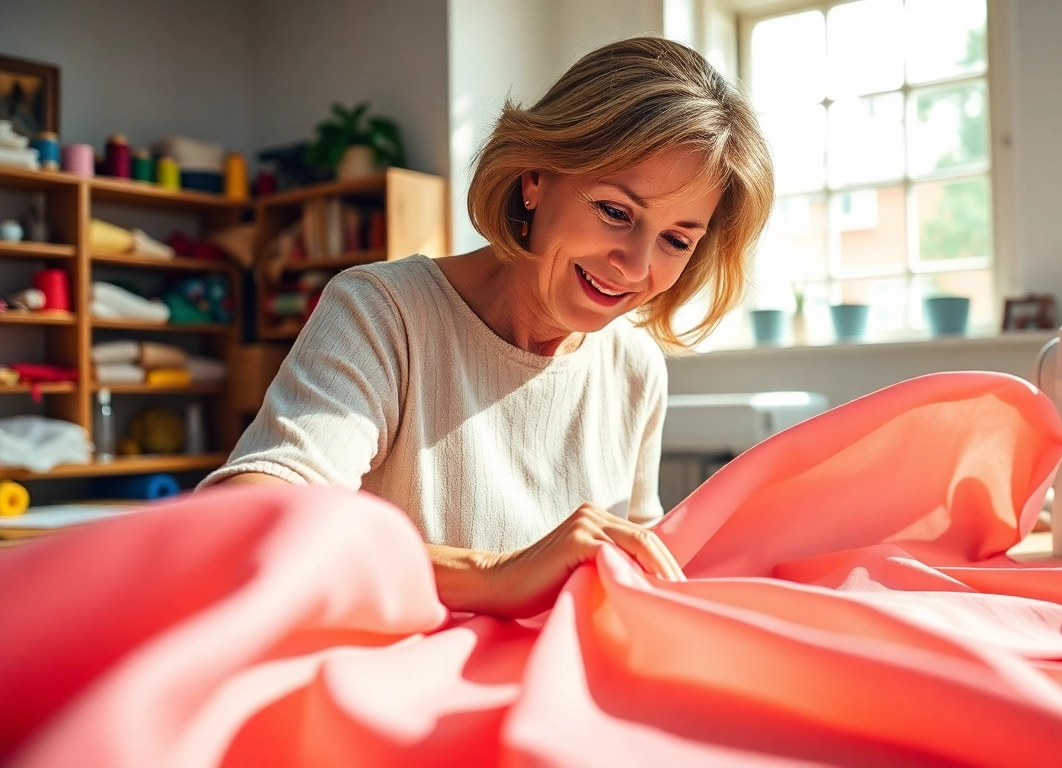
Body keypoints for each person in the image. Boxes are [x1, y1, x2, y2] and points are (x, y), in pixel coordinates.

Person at [200, 37, 774, 618]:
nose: (635, 265)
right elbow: (247, 519)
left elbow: (636, 573)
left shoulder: (635, 368)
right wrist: (492, 574)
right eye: (615, 212)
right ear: (535, 178)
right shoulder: (385, 313)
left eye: (676, 240)